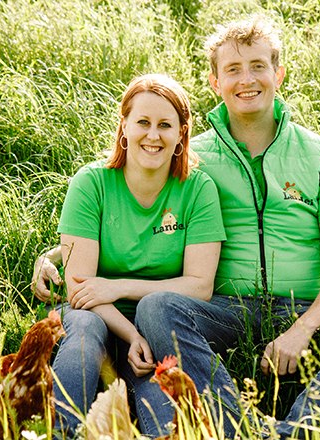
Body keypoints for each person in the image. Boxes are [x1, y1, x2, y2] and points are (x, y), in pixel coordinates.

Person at [34, 16, 320, 438]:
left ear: (278, 74)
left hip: (304, 308)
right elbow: (131, 206)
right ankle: (234, 425)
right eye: (232, 69)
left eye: (258, 66)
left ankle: (289, 433)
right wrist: (56, 254)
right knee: (159, 308)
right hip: (223, 310)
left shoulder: (316, 156)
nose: (247, 79)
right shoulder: (191, 160)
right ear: (215, 82)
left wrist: (303, 329)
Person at [41, 73, 225, 438]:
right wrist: (129, 333)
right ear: (124, 127)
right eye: (142, 122)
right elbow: (81, 290)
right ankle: (60, 432)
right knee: (83, 328)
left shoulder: (198, 190)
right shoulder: (91, 184)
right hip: (92, 317)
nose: (153, 135)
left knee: (162, 417)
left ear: (181, 134)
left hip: (155, 332)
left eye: (165, 125)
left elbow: (200, 286)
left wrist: (119, 288)